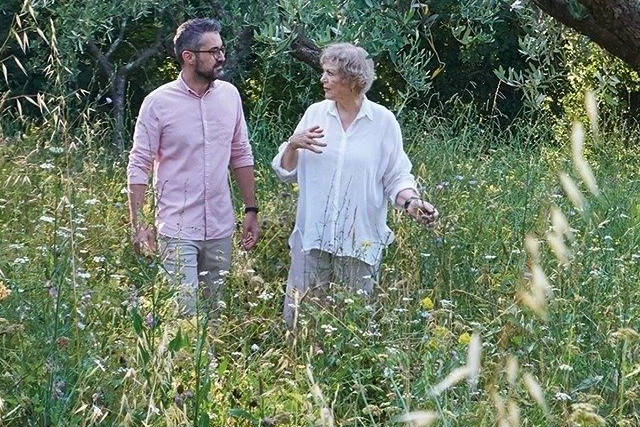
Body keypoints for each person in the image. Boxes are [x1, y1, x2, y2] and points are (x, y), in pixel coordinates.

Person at [272, 42, 438, 325]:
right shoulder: (315, 114)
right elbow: (285, 172)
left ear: (352, 80)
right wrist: (292, 145)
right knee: (300, 323)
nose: (322, 79)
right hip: (313, 237)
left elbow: (396, 175)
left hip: (359, 241)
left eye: (330, 73)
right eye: (324, 72)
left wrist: (410, 202)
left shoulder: (383, 122)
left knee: (352, 325)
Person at [127, 18, 260, 317]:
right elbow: (139, 163)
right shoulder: (157, 103)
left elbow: (240, 153)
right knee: (184, 316)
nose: (221, 57)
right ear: (189, 57)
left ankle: (208, 365)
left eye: (222, 49)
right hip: (177, 228)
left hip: (220, 226)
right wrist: (138, 223)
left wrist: (251, 210)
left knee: (214, 315)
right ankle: (178, 364)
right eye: (213, 51)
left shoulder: (230, 96)